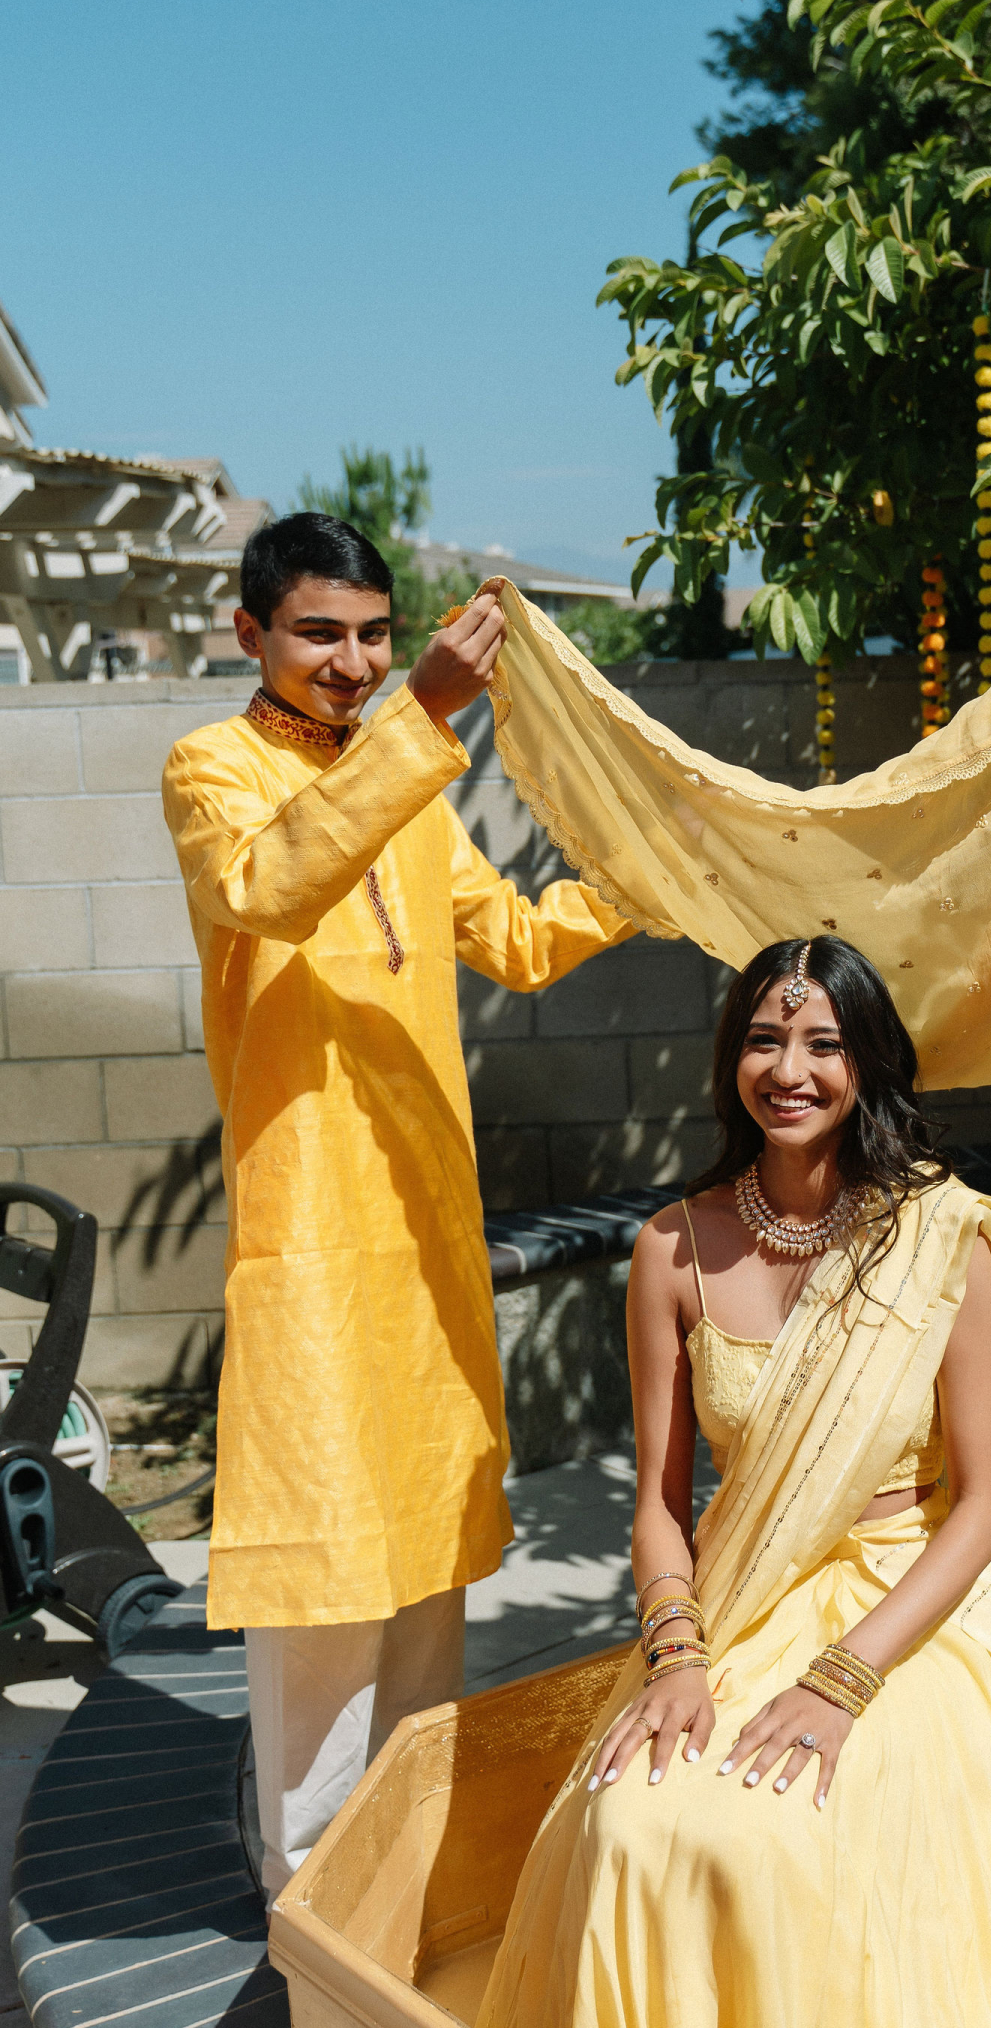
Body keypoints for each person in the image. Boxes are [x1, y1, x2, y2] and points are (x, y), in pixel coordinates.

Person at [476, 935, 991, 2028]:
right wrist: (676, 1656)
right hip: (741, 1591)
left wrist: (843, 1682)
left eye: (823, 1042)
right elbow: (662, 1505)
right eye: (765, 1038)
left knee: (787, 1829)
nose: (790, 1068)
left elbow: (981, 1511)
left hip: (905, 1604)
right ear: (733, 1059)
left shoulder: (944, 1242)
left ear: (867, 1064)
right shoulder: (670, 1250)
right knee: (630, 1818)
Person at [162, 517, 633, 1898]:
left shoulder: (410, 784)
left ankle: (412, 1883)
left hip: (423, 1225)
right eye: (320, 634)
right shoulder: (211, 771)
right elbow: (270, 886)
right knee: (322, 1578)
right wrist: (423, 709)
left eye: (375, 636)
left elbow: (522, 941)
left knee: (426, 1562)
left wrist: (646, 889)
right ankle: (310, 1902)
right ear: (249, 635)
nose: (353, 662)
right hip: (308, 1229)